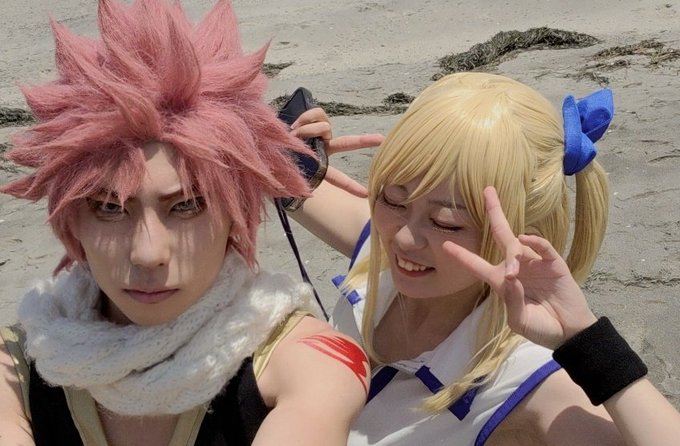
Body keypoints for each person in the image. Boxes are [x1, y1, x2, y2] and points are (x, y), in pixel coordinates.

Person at [0, 1, 369, 445]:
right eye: (110, 209)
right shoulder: (16, 365)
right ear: (71, 219)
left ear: (236, 212)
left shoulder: (309, 362)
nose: (148, 254)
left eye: (187, 206)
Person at [288, 72, 680, 445]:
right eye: (393, 198)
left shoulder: (521, 382)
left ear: (520, 230)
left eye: (446, 222)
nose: (405, 237)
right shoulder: (380, 247)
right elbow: (277, 179)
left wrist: (585, 339)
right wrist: (281, 152)